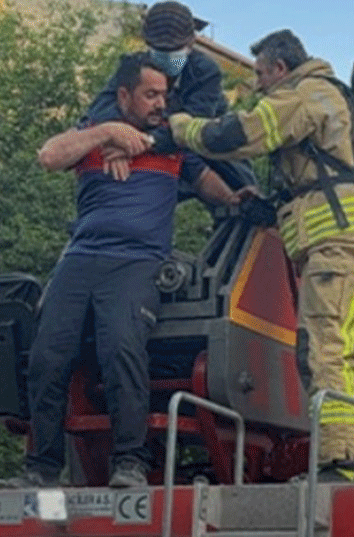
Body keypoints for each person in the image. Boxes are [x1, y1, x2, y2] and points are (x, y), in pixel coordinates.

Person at [162, 29, 354, 483]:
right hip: (353, 243)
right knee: (335, 355)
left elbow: (235, 135)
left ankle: (339, 463)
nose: (258, 87)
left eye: (261, 75)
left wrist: (180, 127)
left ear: (281, 69)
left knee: (326, 352)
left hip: (339, 246)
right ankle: (341, 457)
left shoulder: (304, 95)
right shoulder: (323, 100)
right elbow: (319, 180)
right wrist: (265, 207)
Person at [22, 53, 241, 489]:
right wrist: (106, 132)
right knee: (47, 356)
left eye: (164, 94)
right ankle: (42, 470)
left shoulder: (173, 144)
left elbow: (211, 185)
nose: (161, 103)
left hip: (138, 262)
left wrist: (239, 199)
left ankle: (130, 463)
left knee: (122, 348)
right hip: (80, 259)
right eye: (150, 94)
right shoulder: (93, 138)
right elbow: (48, 156)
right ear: (123, 96)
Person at [82, 0, 255, 198]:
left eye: (174, 49)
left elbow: (192, 128)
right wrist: (115, 136)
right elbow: (100, 108)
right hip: (153, 147)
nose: (167, 56)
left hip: (206, 149)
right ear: (147, 43)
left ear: (191, 42)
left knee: (242, 192)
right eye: (160, 49)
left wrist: (142, 142)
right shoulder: (133, 67)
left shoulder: (206, 72)